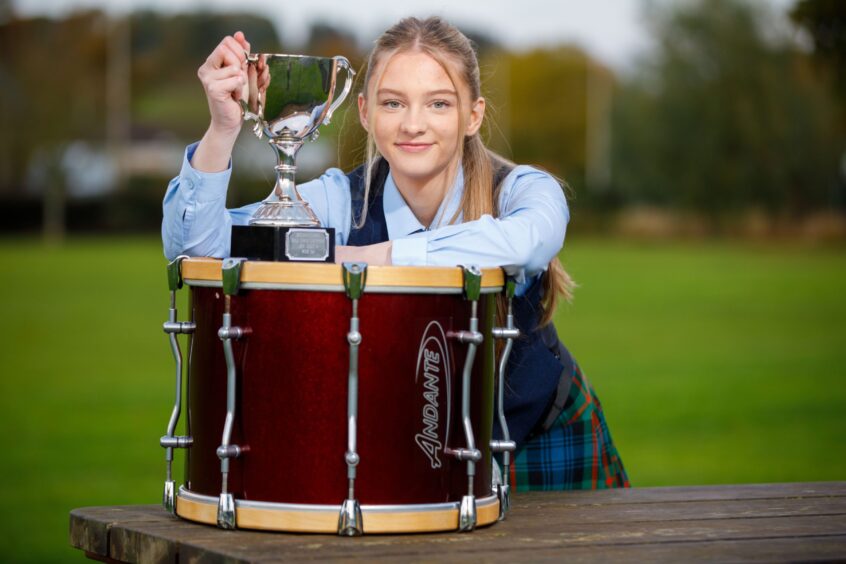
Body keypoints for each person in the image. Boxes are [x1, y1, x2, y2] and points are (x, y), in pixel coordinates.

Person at [162, 17, 628, 490]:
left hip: (541, 440)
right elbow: (195, 251)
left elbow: (528, 241)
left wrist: (375, 257)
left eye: (439, 104)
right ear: (365, 112)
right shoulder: (340, 198)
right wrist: (222, 130)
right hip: (403, 454)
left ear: (473, 115)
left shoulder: (523, 188)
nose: (412, 124)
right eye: (393, 102)